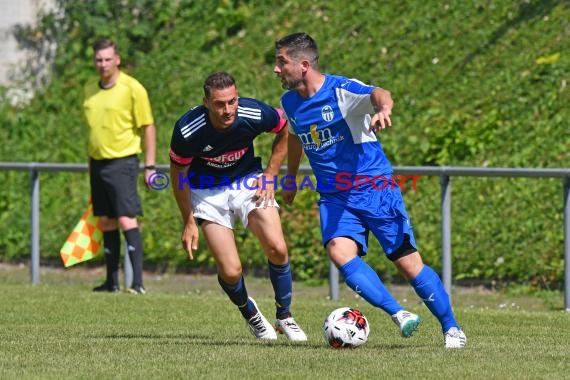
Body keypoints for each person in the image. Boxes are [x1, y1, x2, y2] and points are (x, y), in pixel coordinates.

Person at [274, 32, 467, 348]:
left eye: (282, 62)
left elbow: (379, 93)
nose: (276, 69)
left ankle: (452, 328)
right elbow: (295, 137)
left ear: (304, 64)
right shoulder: (290, 102)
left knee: (407, 263)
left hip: (374, 188)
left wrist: (384, 109)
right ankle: (399, 314)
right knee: (339, 251)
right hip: (335, 196)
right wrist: (291, 177)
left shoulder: (339, 90)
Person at [169, 71, 307, 341]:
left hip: (247, 181)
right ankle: (250, 313)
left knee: (277, 247)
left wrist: (270, 175)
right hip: (206, 191)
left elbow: (284, 130)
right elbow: (178, 177)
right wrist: (188, 220)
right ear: (206, 102)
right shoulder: (188, 130)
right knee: (231, 271)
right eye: (220, 104)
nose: (227, 110)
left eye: (232, 101)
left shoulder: (252, 113)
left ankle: (285, 316)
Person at [83, 38, 156, 294]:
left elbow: (148, 125)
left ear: (117, 59)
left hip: (123, 160)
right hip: (97, 163)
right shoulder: (90, 88)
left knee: (126, 219)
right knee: (106, 221)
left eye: (107, 59)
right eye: (98, 59)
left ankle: (137, 283)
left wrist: (149, 165)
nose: (102, 64)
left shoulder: (132, 88)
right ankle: (111, 282)